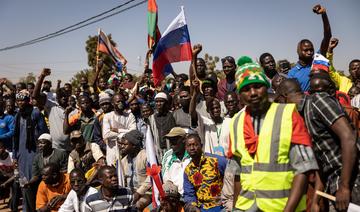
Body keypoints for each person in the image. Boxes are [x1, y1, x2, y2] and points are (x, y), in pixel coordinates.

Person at [230, 62, 318, 211]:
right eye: (245, 89)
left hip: (283, 207)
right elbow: (238, 172)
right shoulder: (235, 122)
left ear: (267, 87)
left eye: (257, 86)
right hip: (247, 206)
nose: (252, 93)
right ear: (240, 95)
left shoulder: (288, 114)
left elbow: (303, 169)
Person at [13, 89, 48, 212]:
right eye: (18, 100)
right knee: (24, 183)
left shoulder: (36, 113)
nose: (20, 102)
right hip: (22, 154)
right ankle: (26, 208)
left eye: (22, 100)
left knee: (35, 181)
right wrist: (14, 156)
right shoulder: (17, 115)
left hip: (35, 153)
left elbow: (44, 134)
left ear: (28, 101)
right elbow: (15, 136)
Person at [288, 4, 332, 92]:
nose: (309, 52)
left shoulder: (318, 60)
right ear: (298, 51)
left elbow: (327, 36)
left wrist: (324, 14)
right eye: (306, 50)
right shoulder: (292, 73)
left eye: (311, 50)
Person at [183, 133, 227, 211]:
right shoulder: (188, 171)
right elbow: (189, 195)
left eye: (195, 145)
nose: (192, 148)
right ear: (186, 148)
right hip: (202, 208)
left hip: (221, 206)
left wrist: (226, 197)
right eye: (189, 145)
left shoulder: (216, 161)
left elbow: (232, 177)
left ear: (201, 145)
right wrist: (194, 207)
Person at [33, 68, 72, 152]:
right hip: (55, 149)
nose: (63, 98)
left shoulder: (73, 110)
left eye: (65, 95)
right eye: (61, 95)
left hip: (70, 149)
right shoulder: (51, 107)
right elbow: (35, 96)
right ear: (57, 97)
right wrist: (42, 76)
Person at [190, 81, 230, 157]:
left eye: (217, 107)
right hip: (210, 162)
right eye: (212, 108)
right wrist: (195, 94)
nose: (215, 110)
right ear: (208, 111)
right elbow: (192, 112)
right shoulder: (206, 124)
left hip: (227, 161)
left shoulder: (229, 122)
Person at [118, 130, 151, 210]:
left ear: (134, 145)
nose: (122, 146)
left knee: (137, 206)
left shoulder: (146, 156)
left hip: (146, 192)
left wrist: (138, 193)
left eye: (125, 144)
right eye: (121, 144)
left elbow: (151, 177)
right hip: (130, 192)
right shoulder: (123, 161)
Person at [102, 93, 136, 165]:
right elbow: (106, 135)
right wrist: (126, 133)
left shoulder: (130, 116)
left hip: (127, 151)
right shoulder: (107, 116)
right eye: (118, 102)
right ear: (112, 103)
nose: (120, 103)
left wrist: (118, 130)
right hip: (113, 151)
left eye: (122, 101)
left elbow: (133, 132)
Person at [161, 127, 191, 196]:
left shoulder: (191, 154)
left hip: (192, 194)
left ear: (183, 140)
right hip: (175, 196)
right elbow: (167, 179)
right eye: (170, 140)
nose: (171, 144)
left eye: (174, 140)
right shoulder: (168, 155)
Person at [148, 92, 176, 159]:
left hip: (170, 149)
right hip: (157, 150)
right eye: (157, 102)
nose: (159, 104)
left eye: (161, 101)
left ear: (166, 103)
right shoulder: (151, 118)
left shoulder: (172, 115)